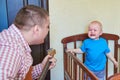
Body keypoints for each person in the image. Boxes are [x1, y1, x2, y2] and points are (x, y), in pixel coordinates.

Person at [0, 5, 56, 80]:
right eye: (47, 26)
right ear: (37, 29)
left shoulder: (16, 41)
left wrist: (42, 66)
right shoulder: (12, 48)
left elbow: (21, 75)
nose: (48, 30)